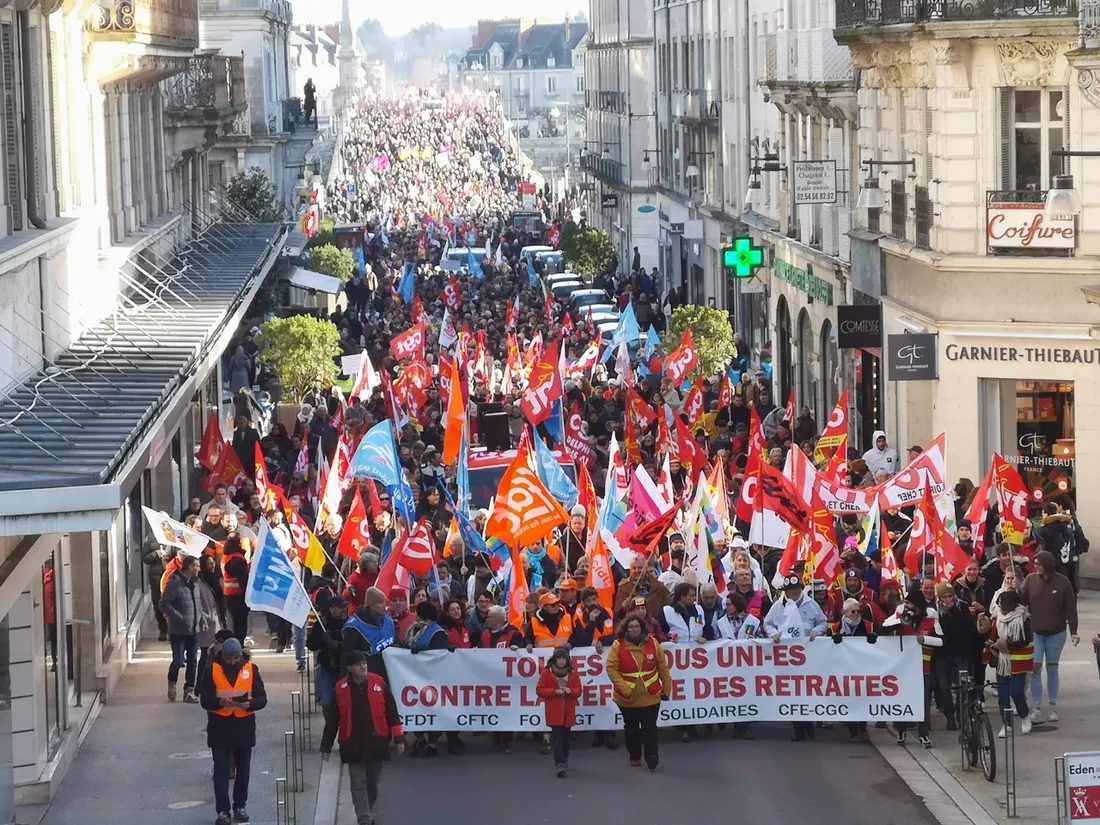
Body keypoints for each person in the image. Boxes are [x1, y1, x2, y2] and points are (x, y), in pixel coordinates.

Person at [320, 650, 405, 825]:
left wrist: (399, 738)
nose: (363, 666)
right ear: (350, 668)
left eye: (364, 663)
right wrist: (326, 746)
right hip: (352, 744)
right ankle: (364, 818)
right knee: (357, 784)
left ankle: (368, 811)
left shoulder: (379, 684)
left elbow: (392, 713)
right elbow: (332, 721)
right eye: (358, 664)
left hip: (376, 743)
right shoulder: (340, 689)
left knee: (372, 783)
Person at [199, 637, 267, 825]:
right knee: (221, 771)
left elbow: (262, 698)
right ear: (223, 657)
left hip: (243, 727)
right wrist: (220, 703)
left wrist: (250, 704)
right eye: (229, 659)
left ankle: (240, 806)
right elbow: (205, 701)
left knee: (243, 770)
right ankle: (223, 811)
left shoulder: (251, 669)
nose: (232, 662)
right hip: (219, 727)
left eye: (235, 658)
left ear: (240, 656)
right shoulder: (212, 670)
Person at [764, 574, 828, 741]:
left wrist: (816, 631)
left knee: (807, 692)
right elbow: (768, 623)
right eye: (789, 590)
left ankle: (808, 723)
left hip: (808, 656)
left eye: (795, 589)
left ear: (800, 589)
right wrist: (774, 634)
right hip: (787, 658)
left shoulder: (811, 605)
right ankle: (797, 728)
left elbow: (822, 622)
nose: (792, 593)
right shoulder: (778, 607)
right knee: (792, 692)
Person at [1019, 550, 1080, 725]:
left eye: (1039, 564)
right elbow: (1022, 601)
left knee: (1052, 668)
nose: (1036, 567)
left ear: (1048, 565)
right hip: (1036, 633)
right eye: (1035, 564)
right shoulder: (1030, 580)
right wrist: (1016, 591)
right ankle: (1036, 708)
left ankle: (1052, 707)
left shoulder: (1063, 582)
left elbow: (1070, 608)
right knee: (1035, 669)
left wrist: (1074, 631)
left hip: (1056, 633)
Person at [607, 615, 671, 770]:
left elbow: (662, 666)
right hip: (627, 698)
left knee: (650, 728)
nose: (634, 629)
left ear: (642, 627)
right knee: (632, 728)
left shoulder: (653, 643)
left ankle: (652, 756)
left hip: (651, 695)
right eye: (631, 627)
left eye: (637, 626)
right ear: (626, 629)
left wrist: (667, 687)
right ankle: (635, 755)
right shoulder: (618, 645)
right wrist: (624, 688)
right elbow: (611, 669)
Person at [980, 589, 1034, 738]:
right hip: (1002, 661)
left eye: (1005, 605)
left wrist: (1003, 645)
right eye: (1000, 604)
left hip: (1019, 662)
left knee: (1016, 692)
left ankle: (1024, 716)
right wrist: (983, 623)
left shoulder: (1024, 618)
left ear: (1014, 604)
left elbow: (1024, 640)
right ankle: (1007, 724)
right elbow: (991, 635)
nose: (1002, 608)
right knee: (1003, 696)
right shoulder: (997, 617)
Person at [832, 598, 877, 742]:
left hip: (862, 667)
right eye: (853, 611)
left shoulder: (868, 626)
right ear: (844, 612)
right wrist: (833, 640)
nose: (856, 614)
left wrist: (873, 639)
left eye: (858, 611)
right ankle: (853, 731)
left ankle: (863, 728)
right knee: (849, 699)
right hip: (844, 669)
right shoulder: (836, 628)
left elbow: (878, 645)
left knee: (863, 698)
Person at [159, 555, 201, 704]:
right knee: (177, 661)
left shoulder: (195, 583)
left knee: (192, 661)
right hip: (178, 630)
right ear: (190, 567)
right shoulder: (174, 583)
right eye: (197, 566)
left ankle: (189, 691)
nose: (199, 568)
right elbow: (163, 603)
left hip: (194, 629)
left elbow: (198, 604)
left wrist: (201, 619)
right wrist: (177, 616)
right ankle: (172, 682)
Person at [535, 647, 582, 778]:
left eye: (563, 658)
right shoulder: (547, 673)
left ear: (567, 660)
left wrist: (571, 691)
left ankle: (564, 758)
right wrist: (554, 692)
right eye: (559, 658)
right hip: (554, 711)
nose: (561, 661)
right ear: (554, 659)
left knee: (566, 740)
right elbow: (540, 690)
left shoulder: (573, 674)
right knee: (557, 739)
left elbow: (579, 690)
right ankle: (559, 764)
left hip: (568, 711)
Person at [342, 587, 397, 678]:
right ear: (371, 606)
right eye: (381, 603)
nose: (385, 606)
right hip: (368, 674)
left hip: (390, 670)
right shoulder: (354, 626)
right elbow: (347, 655)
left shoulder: (388, 619)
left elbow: (396, 641)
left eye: (384, 602)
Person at [308, 597, 349, 709]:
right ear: (332, 609)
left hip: (345, 668)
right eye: (341, 608)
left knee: (344, 703)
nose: (344, 610)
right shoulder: (322, 624)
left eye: (345, 607)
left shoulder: (349, 623)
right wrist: (322, 640)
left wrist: (338, 644)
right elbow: (311, 644)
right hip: (327, 668)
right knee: (327, 702)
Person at [221, 536, 250, 644]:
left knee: (233, 621)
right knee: (240, 623)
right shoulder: (237, 560)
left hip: (228, 594)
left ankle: (236, 643)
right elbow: (243, 579)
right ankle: (239, 644)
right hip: (239, 595)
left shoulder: (226, 558)